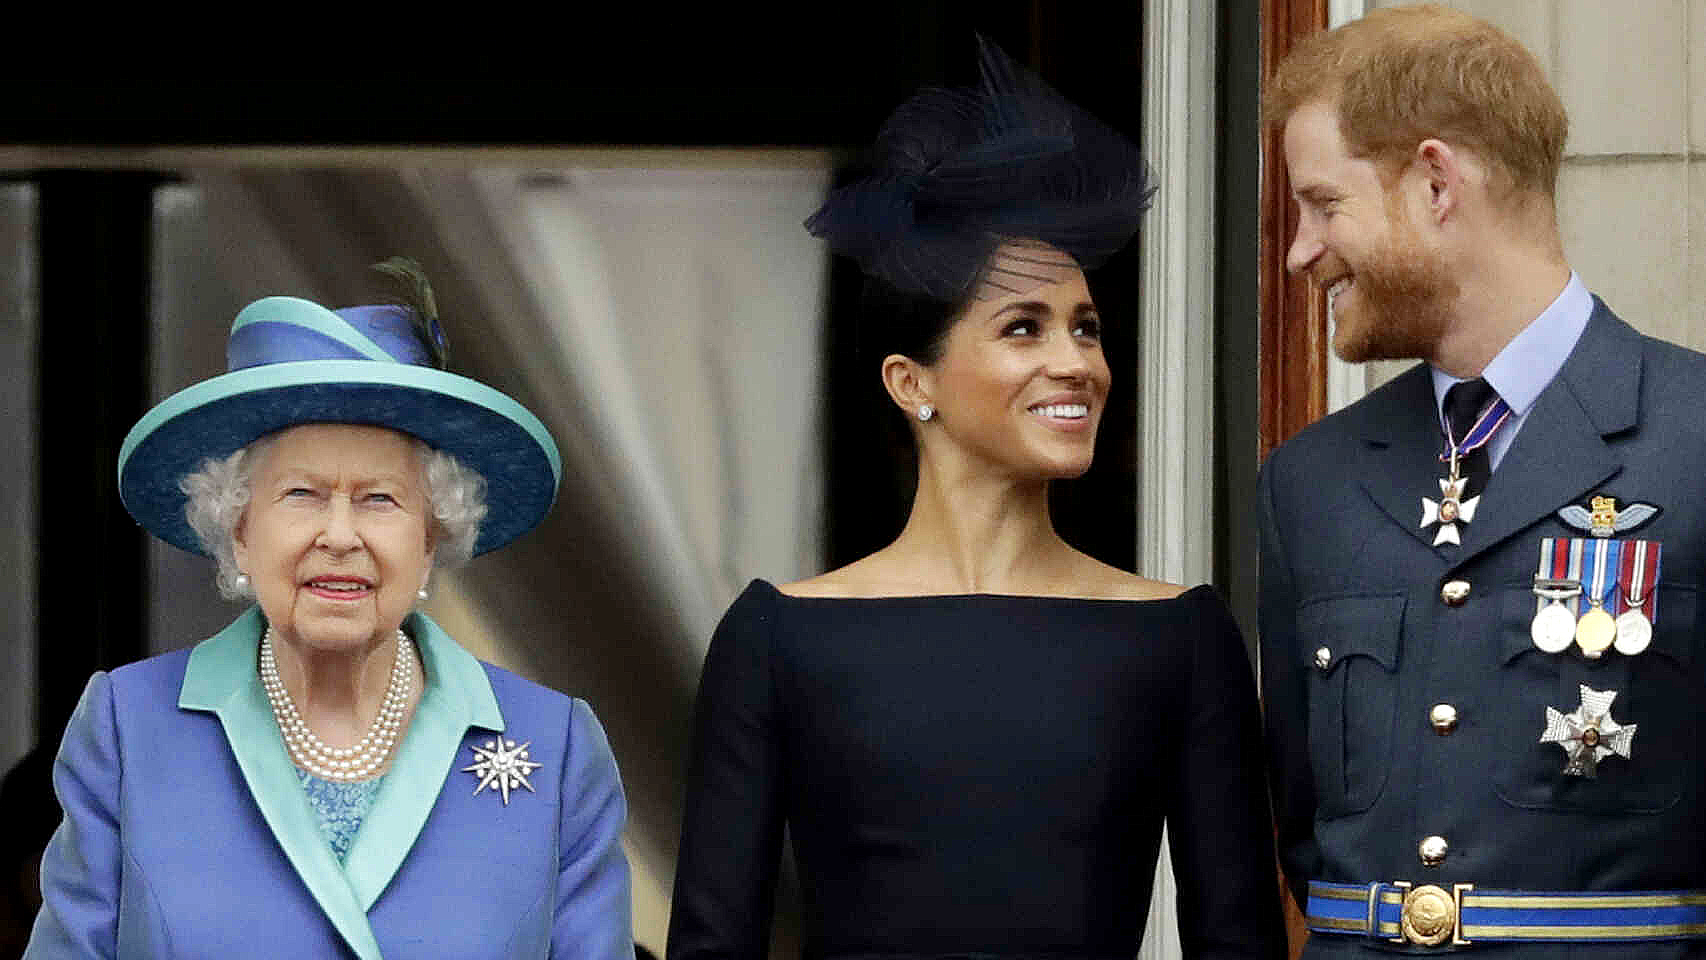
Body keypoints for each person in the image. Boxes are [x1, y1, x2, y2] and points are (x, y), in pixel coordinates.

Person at [667, 39, 1285, 959]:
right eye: (1022, 328)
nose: (1076, 362)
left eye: (1086, 328)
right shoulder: (776, 639)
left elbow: (1239, 946)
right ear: (913, 381)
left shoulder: (1181, 640)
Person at [25, 262, 632, 959]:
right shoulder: (127, 729)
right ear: (239, 532)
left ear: (432, 537)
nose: (340, 535)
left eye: (380, 499)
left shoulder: (555, 749)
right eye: (302, 495)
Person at [1261, 5, 1706, 955]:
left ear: (1434, 182)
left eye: (1323, 204)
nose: (1300, 251)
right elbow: (1306, 828)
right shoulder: (1311, 481)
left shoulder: (1695, 433)